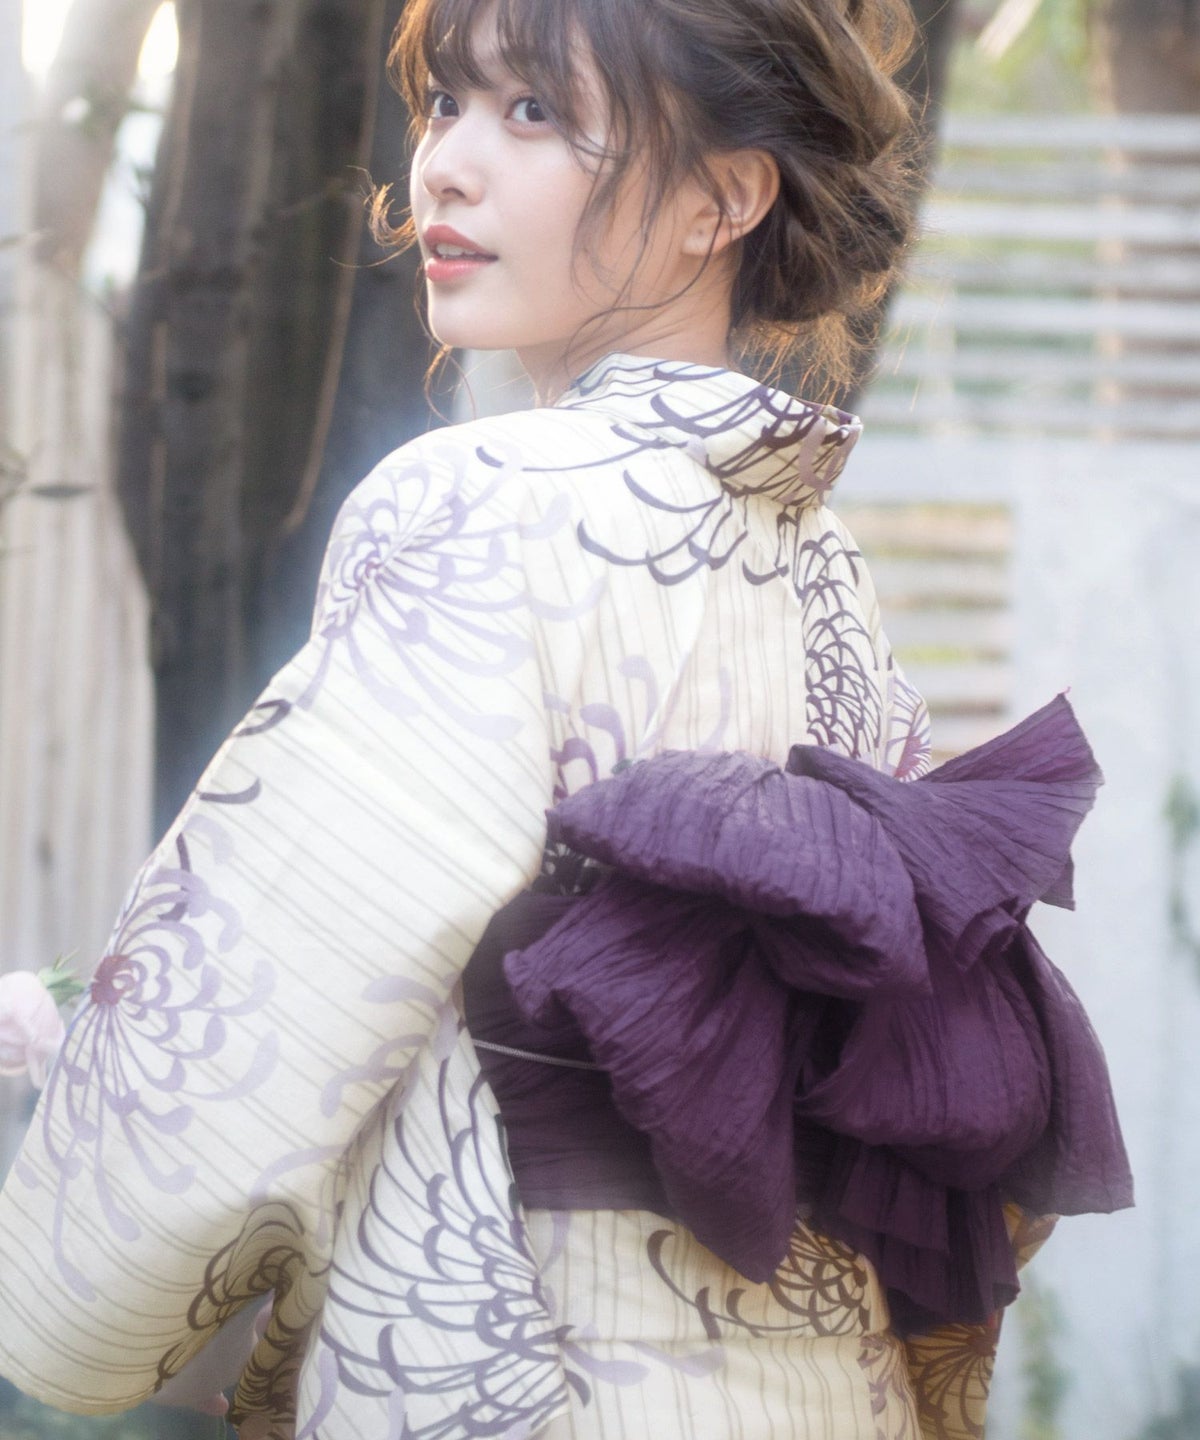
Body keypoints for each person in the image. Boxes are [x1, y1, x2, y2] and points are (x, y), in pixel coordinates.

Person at [0, 0, 1132, 1436]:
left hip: (538, 1349)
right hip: (815, 1378)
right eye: (446, 103)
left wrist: (69, 1203)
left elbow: (272, 997)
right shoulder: (819, 558)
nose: (446, 165)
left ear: (724, 199)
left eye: (534, 112)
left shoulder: (477, 497)